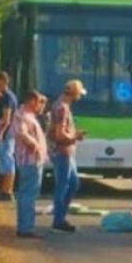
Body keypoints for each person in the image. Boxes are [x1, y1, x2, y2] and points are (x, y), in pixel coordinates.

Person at [48, 79, 87, 233]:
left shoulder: (60, 105)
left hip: (65, 151)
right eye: (79, 94)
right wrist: (74, 137)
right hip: (62, 151)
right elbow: (59, 135)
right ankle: (59, 219)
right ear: (74, 93)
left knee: (73, 183)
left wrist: (73, 135)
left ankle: (61, 217)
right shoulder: (62, 108)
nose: (80, 97)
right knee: (63, 186)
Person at [12, 90, 48, 238]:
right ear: (32, 101)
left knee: (26, 194)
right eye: (39, 102)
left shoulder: (28, 116)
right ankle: (26, 228)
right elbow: (21, 133)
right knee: (28, 194)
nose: (41, 106)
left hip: (33, 160)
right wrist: (32, 143)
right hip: (30, 160)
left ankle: (24, 226)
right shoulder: (22, 115)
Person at [0, 71, 18, 202]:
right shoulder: (7, 96)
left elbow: (6, 118)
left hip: (6, 133)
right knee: (6, 160)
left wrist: (1, 133)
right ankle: (5, 189)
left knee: (7, 160)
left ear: (2, 81)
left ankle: (7, 190)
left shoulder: (6, 97)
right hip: (8, 132)